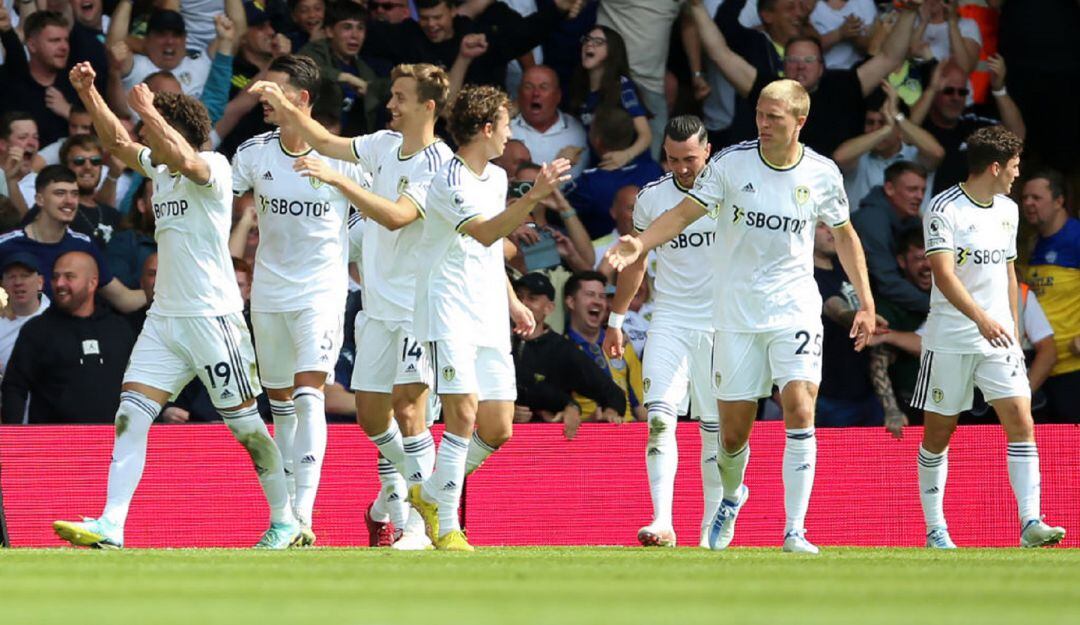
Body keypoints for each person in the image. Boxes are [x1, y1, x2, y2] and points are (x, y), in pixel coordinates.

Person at [606, 79, 875, 554]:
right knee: (731, 435)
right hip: (732, 316)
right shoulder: (731, 165)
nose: (763, 123)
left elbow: (846, 235)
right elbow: (685, 213)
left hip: (793, 308)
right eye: (760, 113)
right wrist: (640, 242)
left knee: (800, 406)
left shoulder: (823, 173)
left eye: (774, 116)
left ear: (799, 121)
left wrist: (867, 303)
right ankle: (732, 494)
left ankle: (795, 529)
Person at [53, 62, 297, 550]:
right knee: (131, 413)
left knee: (246, 426)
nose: (143, 136)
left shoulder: (214, 168)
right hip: (165, 320)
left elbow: (187, 159)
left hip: (213, 319)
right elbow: (119, 146)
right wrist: (90, 92)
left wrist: (149, 112)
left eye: (151, 127)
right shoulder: (159, 170)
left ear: (174, 130)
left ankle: (286, 520)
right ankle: (112, 524)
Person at [252, 62, 453, 551]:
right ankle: (395, 498)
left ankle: (420, 526)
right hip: (378, 308)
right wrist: (284, 106)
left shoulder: (438, 162)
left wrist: (338, 183)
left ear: (427, 106)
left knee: (410, 410)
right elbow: (323, 141)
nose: (390, 105)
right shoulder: (383, 144)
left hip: (417, 307)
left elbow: (397, 216)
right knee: (370, 418)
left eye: (401, 97)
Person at [407, 84, 569, 551]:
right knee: (463, 412)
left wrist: (513, 302)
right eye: (505, 124)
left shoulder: (496, 178)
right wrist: (534, 194)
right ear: (485, 129)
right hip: (448, 311)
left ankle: (433, 493)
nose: (510, 133)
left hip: (487, 311)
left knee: (498, 426)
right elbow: (483, 232)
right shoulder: (448, 182)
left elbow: (492, 250)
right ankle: (448, 525)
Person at [912, 126, 1064, 549]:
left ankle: (1031, 522)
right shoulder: (943, 209)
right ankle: (935, 527)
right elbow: (943, 275)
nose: (1017, 175)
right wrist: (980, 318)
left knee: (1021, 421)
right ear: (995, 167)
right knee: (938, 435)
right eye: (1014, 167)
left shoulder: (1007, 210)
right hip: (952, 339)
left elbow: (1008, 272)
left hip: (998, 338)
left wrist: (1014, 333)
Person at [232, 54, 362, 546]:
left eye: (274, 89)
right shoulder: (253, 154)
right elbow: (215, 192)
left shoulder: (342, 156)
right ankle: (285, 515)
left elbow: (372, 215)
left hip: (321, 292)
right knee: (280, 404)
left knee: (310, 396)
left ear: (302, 99)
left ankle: (303, 515)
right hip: (268, 293)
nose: (262, 97)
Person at [602, 115, 721, 549]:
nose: (681, 168)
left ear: (707, 150)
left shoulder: (731, 192)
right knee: (657, 420)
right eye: (671, 160)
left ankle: (711, 530)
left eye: (689, 158)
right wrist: (615, 320)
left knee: (715, 429)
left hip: (720, 323)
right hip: (669, 317)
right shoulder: (652, 198)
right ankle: (663, 520)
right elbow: (637, 262)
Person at [687, 0, 920, 157]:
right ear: (783, 66)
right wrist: (696, 6)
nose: (800, 67)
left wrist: (909, 12)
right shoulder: (769, 89)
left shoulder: (841, 86)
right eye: (793, 61)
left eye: (809, 61)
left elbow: (889, 57)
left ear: (822, 67)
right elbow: (720, 54)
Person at [1, 251, 135, 424]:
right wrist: (14, 440)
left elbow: (139, 385)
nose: (59, 283)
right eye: (56, 277)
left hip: (113, 442)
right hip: (54, 444)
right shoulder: (37, 330)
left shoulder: (119, 328)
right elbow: (14, 388)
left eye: (69, 277)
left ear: (92, 282)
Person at [0, 165, 145, 312]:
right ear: (39, 199)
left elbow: (123, 299)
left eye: (74, 194)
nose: (70, 201)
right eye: (60, 193)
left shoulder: (83, 245)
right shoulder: (7, 245)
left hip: (69, 331)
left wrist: (163, 293)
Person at [513, 271, 627, 439]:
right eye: (518, 297)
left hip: (548, 444)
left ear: (549, 308)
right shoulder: (495, 341)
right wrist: (506, 410)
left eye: (532, 298)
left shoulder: (561, 349)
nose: (523, 304)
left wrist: (608, 414)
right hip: (495, 439)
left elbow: (613, 394)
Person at [911, 59, 1026, 195]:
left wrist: (999, 89)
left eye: (962, 92)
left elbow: (1017, 135)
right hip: (933, 211)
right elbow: (905, 130)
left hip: (974, 210)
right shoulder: (922, 124)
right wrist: (932, 89)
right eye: (949, 91)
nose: (956, 97)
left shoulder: (974, 124)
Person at [1021, 170, 1080, 423]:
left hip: (1074, 367)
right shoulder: (1032, 244)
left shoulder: (1076, 237)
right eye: (1025, 198)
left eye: (1037, 197)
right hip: (1041, 365)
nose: (1028, 203)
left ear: (1059, 201)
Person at [832, 83, 944, 209]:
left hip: (912, 228)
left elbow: (937, 153)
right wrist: (885, 130)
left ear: (900, 127)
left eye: (882, 122)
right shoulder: (858, 157)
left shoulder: (916, 156)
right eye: (870, 122)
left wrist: (896, 115)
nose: (875, 128)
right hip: (862, 227)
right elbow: (839, 157)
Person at [568, 107, 662, 239]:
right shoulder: (653, 170)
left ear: (597, 140)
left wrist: (562, 165)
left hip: (601, 255)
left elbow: (556, 211)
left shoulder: (588, 183)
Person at [564, 270, 644, 423]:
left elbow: (641, 408)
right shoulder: (560, 350)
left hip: (628, 431)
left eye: (602, 296)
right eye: (590, 294)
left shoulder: (623, 345)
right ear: (571, 302)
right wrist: (591, 422)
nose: (598, 301)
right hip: (584, 437)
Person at [852, 161, 931, 316]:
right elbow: (886, 281)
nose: (920, 197)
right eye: (912, 190)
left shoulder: (910, 219)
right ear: (889, 189)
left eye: (923, 190)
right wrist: (938, 307)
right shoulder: (872, 221)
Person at [567, 25, 651, 170]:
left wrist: (626, 155)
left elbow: (646, 135)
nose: (589, 44)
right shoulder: (579, 88)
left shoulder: (623, 87)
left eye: (598, 42)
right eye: (587, 39)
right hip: (599, 168)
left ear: (612, 51)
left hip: (630, 168)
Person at [299, 2, 388, 136]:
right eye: (347, 27)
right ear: (329, 31)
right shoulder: (315, 51)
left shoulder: (366, 70)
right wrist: (344, 77)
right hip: (316, 140)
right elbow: (305, 69)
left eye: (360, 28)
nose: (355, 35)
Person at [0, 10, 77, 147]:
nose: (64, 47)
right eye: (55, 41)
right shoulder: (11, 80)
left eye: (66, 40)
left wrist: (69, 112)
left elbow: (98, 133)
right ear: (32, 45)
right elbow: (15, 56)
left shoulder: (76, 83)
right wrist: (6, 29)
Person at [509, 65, 588, 180]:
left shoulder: (578, 130)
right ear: (519, 94)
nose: (536, 93)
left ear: (558, 96)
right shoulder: (506, 132)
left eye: (544, 87)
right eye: (528, 87)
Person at [0, 252, 49, 377]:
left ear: (40, 282)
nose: (18, 282)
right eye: (11, 277)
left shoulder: (56, 318)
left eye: (25, 276)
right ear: (3, 284)